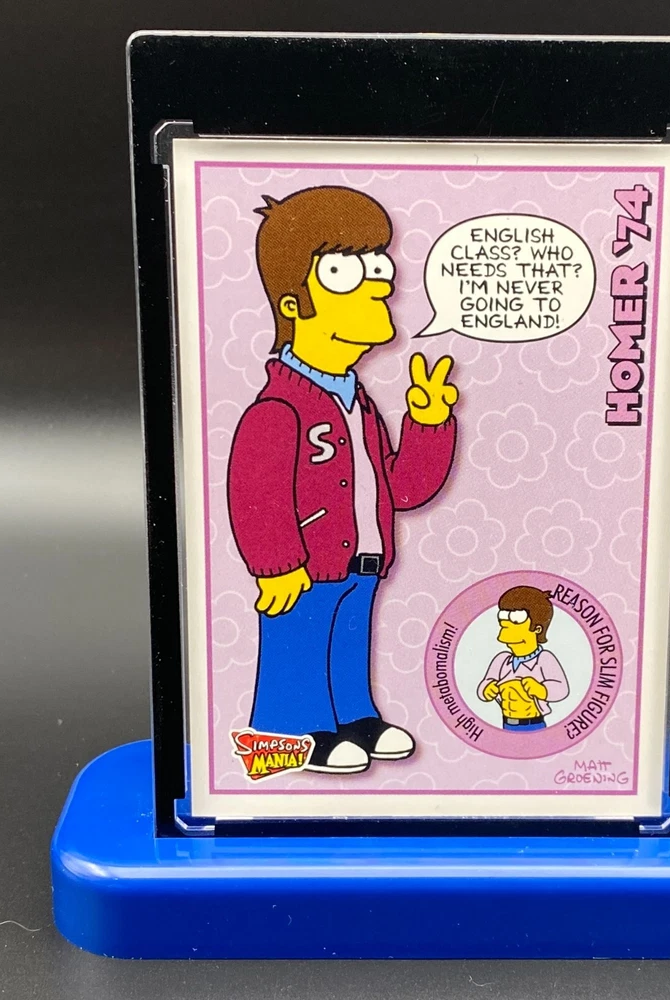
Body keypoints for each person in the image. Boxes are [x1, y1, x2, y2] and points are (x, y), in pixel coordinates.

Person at [227, 186, 458, 774]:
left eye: (377, 268)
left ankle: (352, 716)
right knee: (299, 645)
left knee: (348, 644)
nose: (377, 285)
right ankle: (293, 729)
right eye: (343, 272)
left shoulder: (358, 403)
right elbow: (256, 491)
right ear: (294, 303)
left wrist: (428, 424)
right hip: (305, 567)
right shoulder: (280, 408)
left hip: (363, 561)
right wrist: (276, 564)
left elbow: (401, 488)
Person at [477, 587, 569, 732]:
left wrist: (541, 690)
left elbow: (562, 689)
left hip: (533, 724)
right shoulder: (501, 660)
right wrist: (486, 689)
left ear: (537, 629)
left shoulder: (544, 658)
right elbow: (486, 683)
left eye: (515, 622)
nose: (505, 632)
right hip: (507, 723)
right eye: (503, 623)